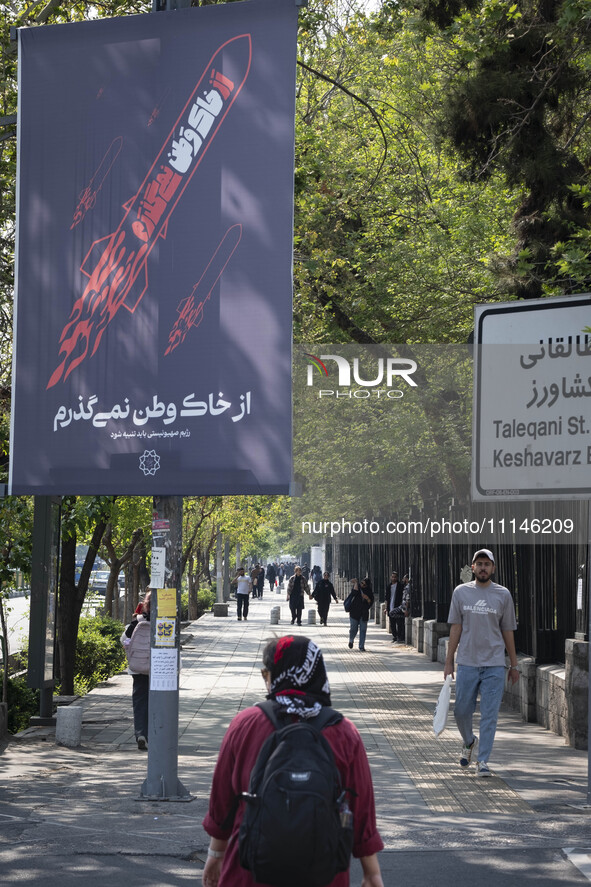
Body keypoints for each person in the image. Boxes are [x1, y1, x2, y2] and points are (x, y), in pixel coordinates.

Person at [202, 635, 385, 887]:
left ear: (274, 676)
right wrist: (371, 872)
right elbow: (360, 806)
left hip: (249, 871)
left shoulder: (245, 725)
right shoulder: (344, 732)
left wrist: (215, 855)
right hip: (324, 873)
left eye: (266, 673)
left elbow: (223, 802)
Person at [444, 548, 520, 778]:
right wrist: (449, 662)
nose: (483, 567)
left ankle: (483, 760)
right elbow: (455, 628)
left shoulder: (503, 594)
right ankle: (469, 741)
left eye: (487, 564)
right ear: (473, 567)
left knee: (490, 714)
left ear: (493, 568)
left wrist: (514, 665)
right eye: (480, 564)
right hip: (467, 662)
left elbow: (508, 630)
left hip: (494, 664)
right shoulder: (461, 593)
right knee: (461, 711)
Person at [121, 589, 151, 750]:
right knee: (157, 702)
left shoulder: (137, 621)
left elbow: (124, 639)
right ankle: (155, 733)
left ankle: (141, 733)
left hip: (138, 669)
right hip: (158, 670)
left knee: (140, 702)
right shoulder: (166, 621)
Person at [347, 578, 374, 652]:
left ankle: (361, 646)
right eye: (361, 583)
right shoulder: (357, 588)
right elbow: (354, 593)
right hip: (354, 612)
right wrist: (356, 583)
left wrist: (367, 598)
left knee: (363, 630)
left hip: (364, 613)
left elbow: (371, 603)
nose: (362, 585)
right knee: (353, 628)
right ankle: (351, 640)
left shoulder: (369, 592)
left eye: (364, 584)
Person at [384, 571, 404, 643]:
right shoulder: (388, 586)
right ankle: (395, 636)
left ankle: (399, 636)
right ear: (390, 577)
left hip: (397, 607)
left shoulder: (400, 586)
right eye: (392, 577)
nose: (393, 578)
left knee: (399, 622)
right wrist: (386, 608)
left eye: (395, 577)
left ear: (397, 578)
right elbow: (386, 598)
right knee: (392, 623)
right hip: (390, 607)